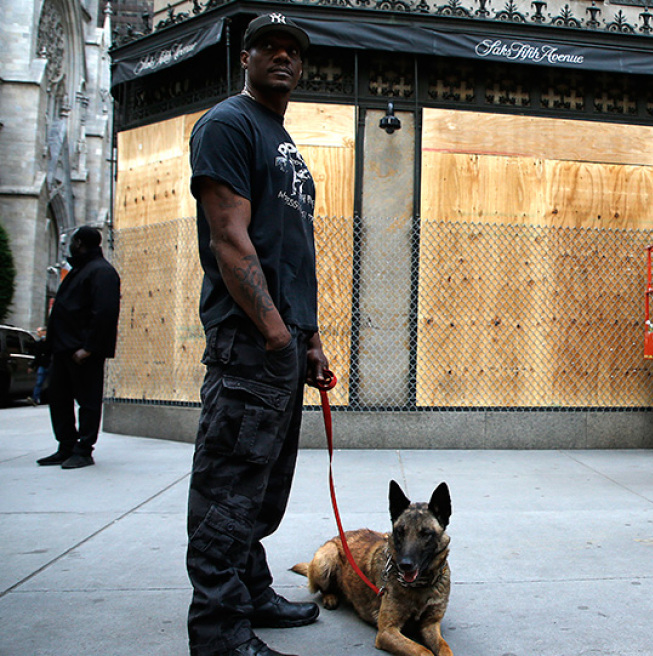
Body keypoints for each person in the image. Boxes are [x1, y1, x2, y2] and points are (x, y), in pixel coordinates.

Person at [185, 13, 330, 656]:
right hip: (250, 340)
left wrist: (310, 338)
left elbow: (293, 248)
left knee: (264, 486)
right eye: (268, 47)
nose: (282, 56)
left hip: (284, 340)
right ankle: (218, 632)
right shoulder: (228, 125)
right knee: (229, 489)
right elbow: (229, 238)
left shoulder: (282, 139)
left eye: (292, 50)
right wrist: (274, 332)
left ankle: (250, 592)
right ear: (244, 58)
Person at [37, 226, 120, 470]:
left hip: (82, 352)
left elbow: (105, 313)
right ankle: (66, 446)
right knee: (59, 398)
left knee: (88, 401)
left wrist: (89, 348)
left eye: (73, 242)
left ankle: (84, 449)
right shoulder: (80, 270)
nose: (71, 246)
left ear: (80, 243)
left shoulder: (101, 272)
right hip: (64, 349)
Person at [29, 326, 51, 404]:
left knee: (51, 383)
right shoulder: (39, 343)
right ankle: (35, 398)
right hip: (42, 365)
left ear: (44, 332)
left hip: (50, 365)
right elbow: (37, 356)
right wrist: (32, 366)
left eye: (39, 332)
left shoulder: (51, 342)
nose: (38, 334)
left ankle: (51, 398)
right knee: (39, 382)